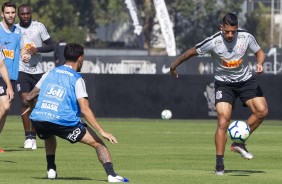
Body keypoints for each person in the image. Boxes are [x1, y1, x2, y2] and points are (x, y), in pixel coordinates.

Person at [170, 13, 268, 175]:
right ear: (221, 28)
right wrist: (174, 65)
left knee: (262, 111)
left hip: (245, 81)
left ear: (237, 29)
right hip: (224, 84)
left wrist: (259, 63)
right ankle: (219, 165)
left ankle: (238, 142)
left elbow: (260, 52)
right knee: (223, 121)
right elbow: (191, 52)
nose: (230, 35)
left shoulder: (246, 37)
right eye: (227, 31)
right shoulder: (213, 42)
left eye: (233, 31)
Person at [26, 43, 129, 182]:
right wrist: (102, 131)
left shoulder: (50, 72)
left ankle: (51, 169)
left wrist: (34, 110)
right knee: (98, 144)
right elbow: (85, 109)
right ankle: (111, 175)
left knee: (49, 133)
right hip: (64, 122)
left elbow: (29, 97)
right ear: (80, 58)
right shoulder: (77, 78)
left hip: (39, 119)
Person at [16, 4, 54, 150]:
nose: (25, 16)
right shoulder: (15, 29)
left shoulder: (39, 27)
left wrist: (36, 49)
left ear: (30, 13)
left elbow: (51, 46)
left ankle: (35, 134)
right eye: (23, 14)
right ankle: (29, 137)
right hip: (21, 70)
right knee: (26, 100)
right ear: (18, 15)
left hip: (37, 71)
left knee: (36, 104)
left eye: (28, 14)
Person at [0, 2, 30, 152]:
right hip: (1, 75)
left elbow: (22, 48)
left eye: (12, 12)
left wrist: (25, 55)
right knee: (4, 106)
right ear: (2, 14)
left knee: (5, 110)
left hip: (11, 75)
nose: (10, 15)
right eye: (7, 12)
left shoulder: (18, 32)